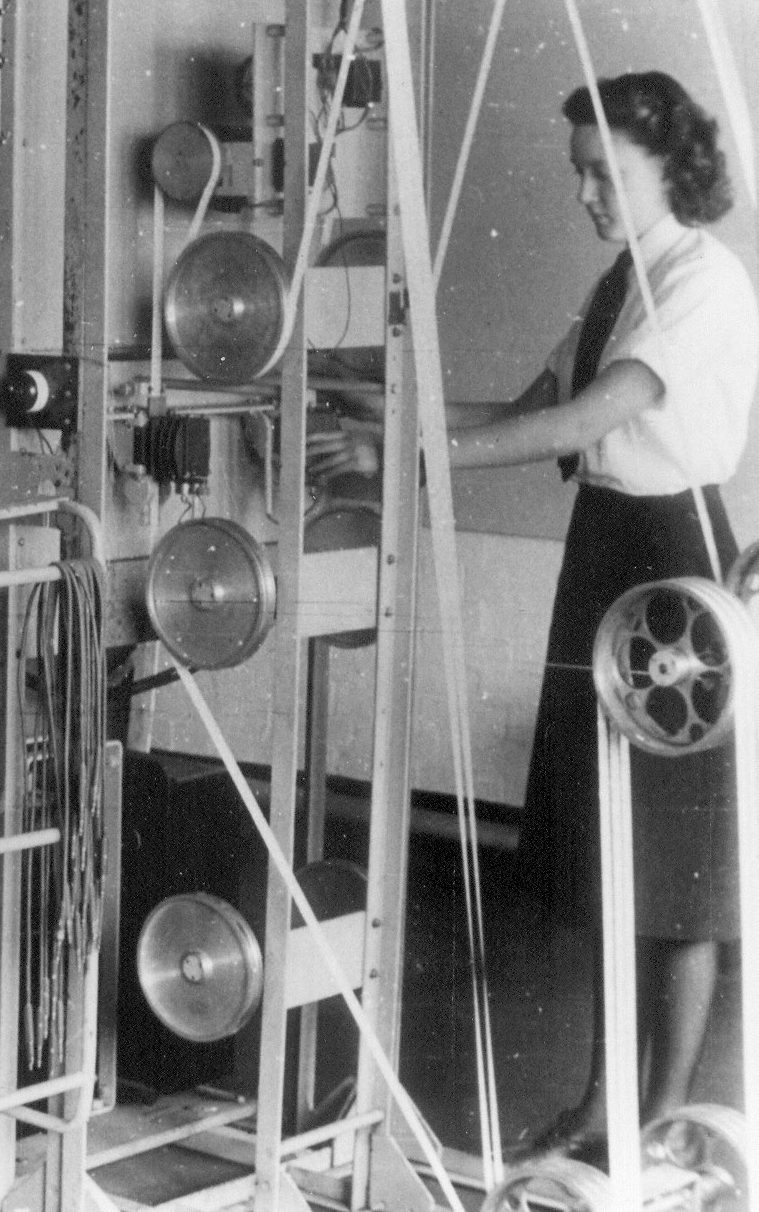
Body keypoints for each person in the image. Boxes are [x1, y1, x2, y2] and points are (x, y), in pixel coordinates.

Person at [311, 70, 757, 1160]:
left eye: (606, 174)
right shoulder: (622, 280)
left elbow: (598, 413)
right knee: (611, 845)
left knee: (678, 859)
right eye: (579, 175)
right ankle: (605, 1106)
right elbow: (522, 414)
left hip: (674, 576)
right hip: (603, 554)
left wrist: (409, 453)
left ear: (671, 168)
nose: (588, 194)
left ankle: (660, 1122)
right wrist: (383, 408)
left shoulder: (706, 281)